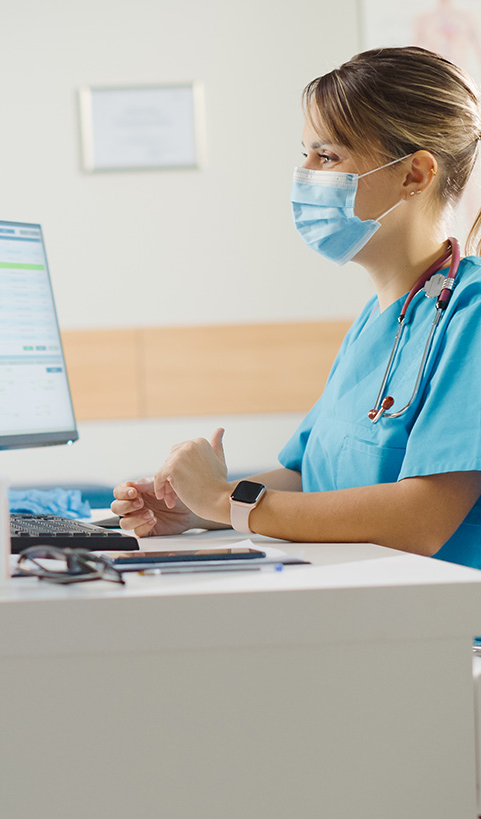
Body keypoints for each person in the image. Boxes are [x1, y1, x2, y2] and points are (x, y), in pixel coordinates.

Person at [112, 47, 481, 570]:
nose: (304, 173)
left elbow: (420, 519)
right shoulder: (378, 320)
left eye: (327, 156)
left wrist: (225, 501)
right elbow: (309, 475)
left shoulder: (471, 317)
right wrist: (197, 508)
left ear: (415, 175)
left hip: (451, 636)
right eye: (305, 152)